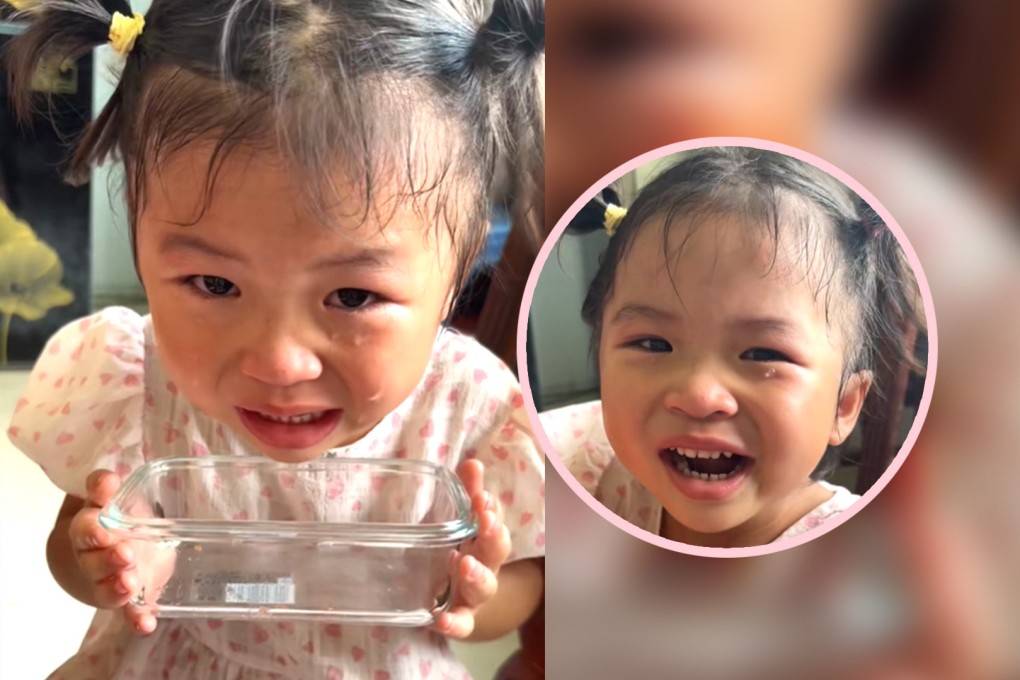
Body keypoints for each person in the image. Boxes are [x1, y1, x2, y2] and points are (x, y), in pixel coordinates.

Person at [4, 0, 545, 677]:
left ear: (456, 275)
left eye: (352, 296)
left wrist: (467, 590)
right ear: (144, 251)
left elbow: (519, 590)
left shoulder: (475, 408)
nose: (278, 362)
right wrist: (102, 563)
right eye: (213, 284)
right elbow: (71, 544)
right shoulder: (138, 381)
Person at [543, 146, 923, 548]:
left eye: (763, 354)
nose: (699, 395)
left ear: (844, 405)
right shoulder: (592, 481)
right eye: (653, 344)